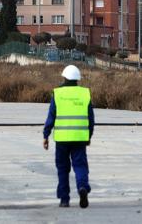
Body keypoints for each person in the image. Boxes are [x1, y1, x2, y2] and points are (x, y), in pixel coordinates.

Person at [43, 65, 95, 208]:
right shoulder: (85, 94)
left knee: (62, 168)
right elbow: (91, 118)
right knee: (80, 165)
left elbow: (51, 116)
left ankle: (64, 199)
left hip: (62, 139)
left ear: (64, 77)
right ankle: (82, 187)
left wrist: (45, 135)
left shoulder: (58, 94)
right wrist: (89, 135)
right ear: (78, 79)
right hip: (79, 138)